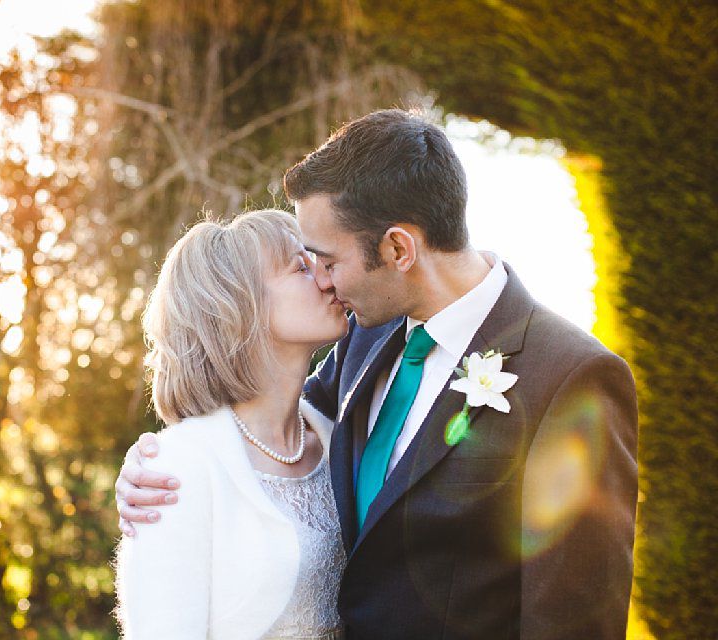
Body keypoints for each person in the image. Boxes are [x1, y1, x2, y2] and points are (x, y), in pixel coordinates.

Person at [116, 109, 640, 639]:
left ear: (397, 248)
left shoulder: (572, 376)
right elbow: (269, 431)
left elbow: (576, 624)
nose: (322, 280)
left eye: (326, 259)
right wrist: (152, 467)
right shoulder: (364, 336)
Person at [114, 209, 351, 639]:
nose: (327, 277)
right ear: (241, 309)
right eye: (301, 266)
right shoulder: (177, 468)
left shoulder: (339, 438)